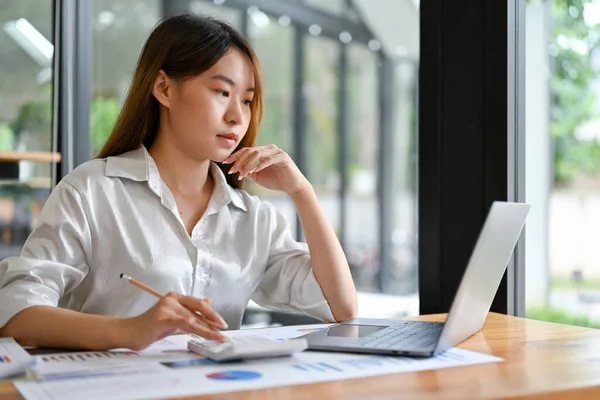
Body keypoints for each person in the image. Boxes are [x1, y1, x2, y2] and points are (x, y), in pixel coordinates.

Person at [0, 13, 357, 351]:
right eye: (222, 92)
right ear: (163, 88)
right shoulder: (92, 190)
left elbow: (341, 307)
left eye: (247, 100)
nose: (237, 116)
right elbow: (15, 312)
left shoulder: (253, 218)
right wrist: (129, 331)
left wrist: (302, 192)